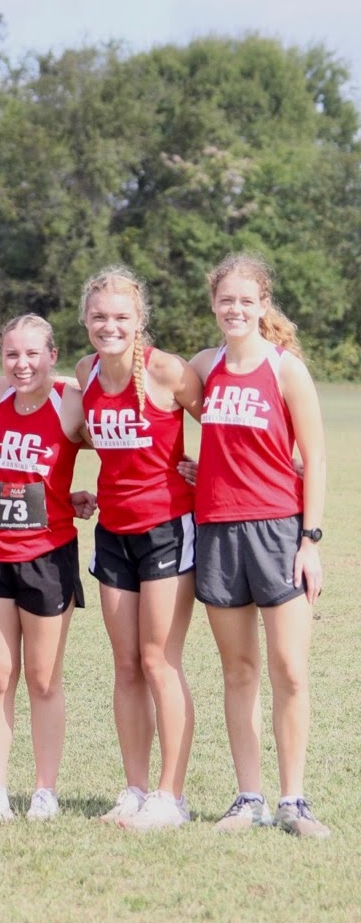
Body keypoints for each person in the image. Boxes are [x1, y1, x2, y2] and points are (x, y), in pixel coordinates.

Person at [188, 254, 329, 838]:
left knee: (290, 671)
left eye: (247, 300)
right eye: (226, 300)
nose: (235, 309)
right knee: (239, 670)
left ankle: (294, 801)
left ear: (263, 305)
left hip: (278, 530)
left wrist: (310, 540)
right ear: (214, 304)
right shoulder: (203, 365)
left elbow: (315, 457)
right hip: (218, 530)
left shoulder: (285, 369)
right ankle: (249, 797)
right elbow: (139, 379)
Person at [75, 266, 201, 830]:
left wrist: (213, 468)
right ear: (86, 321)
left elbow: (223, 421)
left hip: (168, 531)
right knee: (125, 665)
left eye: (121, 316)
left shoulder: (168, 370)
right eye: (100, 316)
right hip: (113, 534)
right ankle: (135, 788)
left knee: (157, 660)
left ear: (139, 319)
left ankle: (170, 797)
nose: (110, 326)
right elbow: (76, 434)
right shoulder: (85, 372)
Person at [0, 314, 87, 823]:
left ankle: (44, 790)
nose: (22, 364)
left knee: (43, 679)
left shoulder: (70, 399)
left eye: (32, 354)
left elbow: (123, 446)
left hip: (47, 556)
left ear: (52, 355)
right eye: (12, 353)